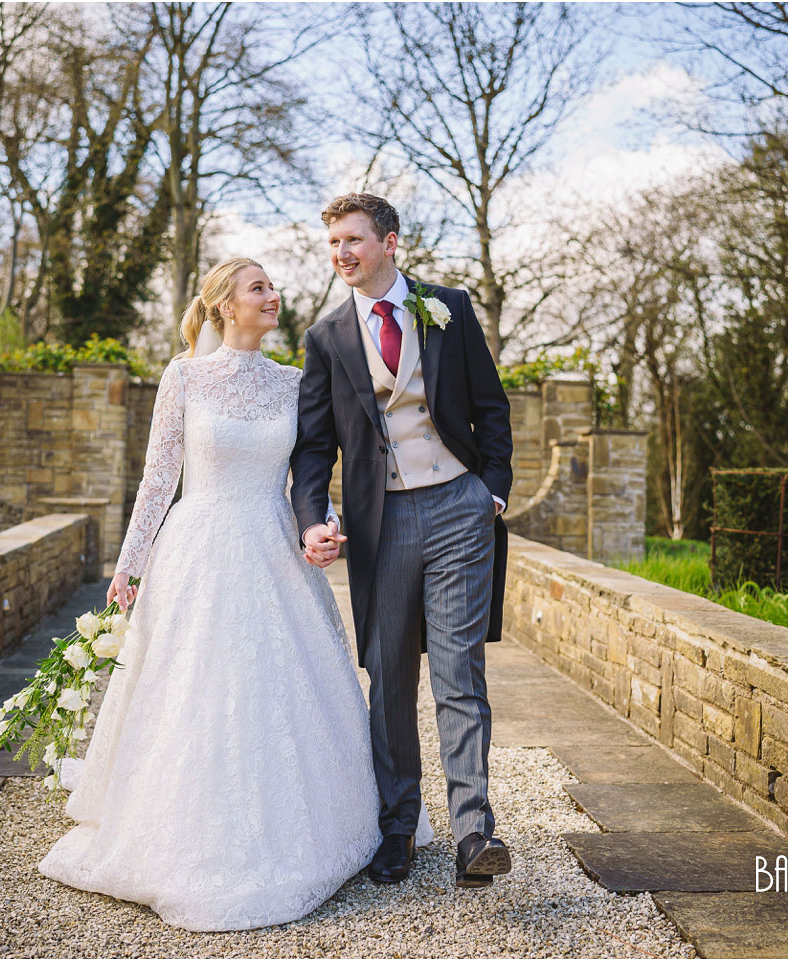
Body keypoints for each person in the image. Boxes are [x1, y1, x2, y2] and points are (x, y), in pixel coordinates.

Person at [38, 257, 432, 931]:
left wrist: (325, 523)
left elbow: (311, 477)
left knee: (279, 686)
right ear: (225, 304)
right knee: (194, 687)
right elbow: (158, 477)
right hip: (199, 548)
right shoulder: (184, 376)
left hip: (274, 548)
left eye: (272, 286)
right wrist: (130, 565)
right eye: (259, 288)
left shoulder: (294, 383)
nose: (273, 296)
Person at [290, 192, 515, 889]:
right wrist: (312, 517)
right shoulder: (327, 338)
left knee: (458, 670)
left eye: (354, 240)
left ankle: (474, 829)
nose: (342, 255)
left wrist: (492, 489)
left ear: (391, 242)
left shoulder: (449, 307)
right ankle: (396, 829)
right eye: (333, 245)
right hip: (379, 523)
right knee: (388, 677)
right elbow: (311, 446)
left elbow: (490, 406)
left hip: (458, 508)